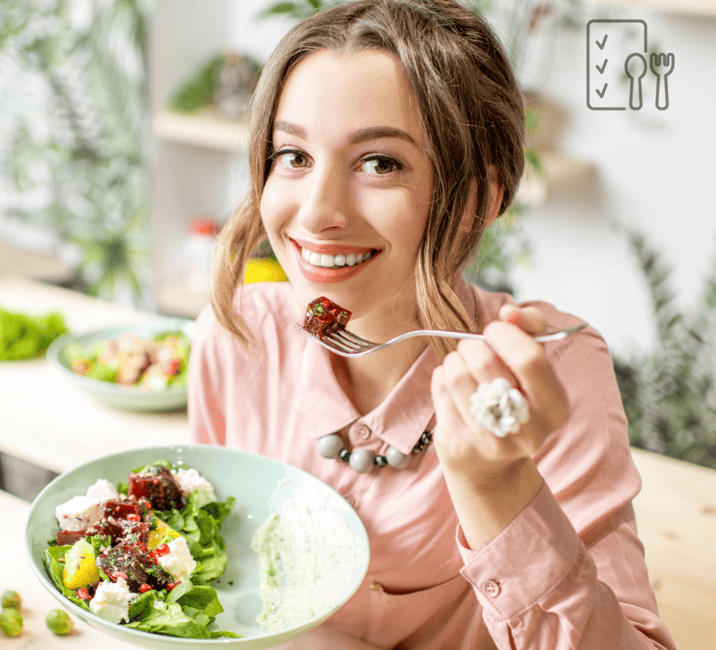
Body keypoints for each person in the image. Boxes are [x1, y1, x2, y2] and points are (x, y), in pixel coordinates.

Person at [186, 1, 677, 648]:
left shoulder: (548, 373)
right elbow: (209, 576)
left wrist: (497, 490)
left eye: (379, 163)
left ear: (481, 197)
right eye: (293, 156)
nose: (317, 213)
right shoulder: (238, 337)